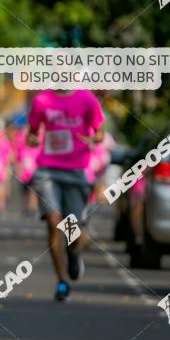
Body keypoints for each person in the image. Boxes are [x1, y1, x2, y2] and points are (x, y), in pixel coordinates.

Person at [27, 89, 104, 302]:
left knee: (72, 229)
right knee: (53, 222)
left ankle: (73, 255)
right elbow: (32, 132)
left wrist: (92, 139)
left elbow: (99, 133)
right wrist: (32, 139)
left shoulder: (86, 99)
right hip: (47, 170)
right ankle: (62, 281)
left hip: (76, 171)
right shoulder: (42, 100)